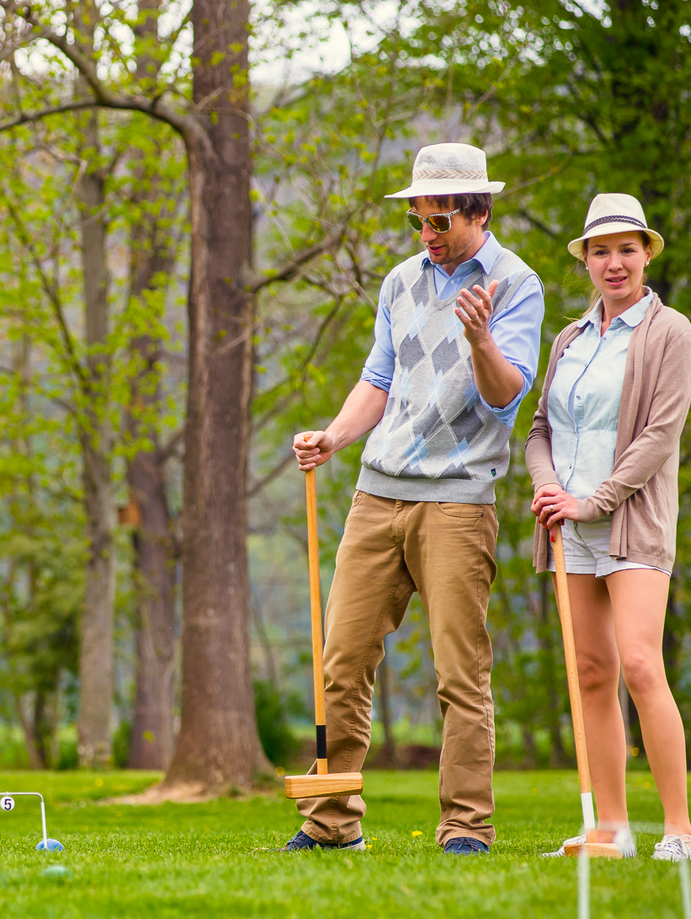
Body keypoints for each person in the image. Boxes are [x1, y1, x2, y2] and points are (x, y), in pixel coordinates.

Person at [288, 143, 546, 855]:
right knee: (340, 662)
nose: (428, 237)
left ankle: (467, 827)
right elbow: (378, 377)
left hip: (459, 501)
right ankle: (333, 822)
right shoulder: (401, 281)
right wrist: (334, 437)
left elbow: (505, 394)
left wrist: (480, 338)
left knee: (460, 674)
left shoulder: (516, 284)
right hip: (378, 493)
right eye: (418, 223)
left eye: (440, 222)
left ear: (479, 212)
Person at [526, 194, 691, 861]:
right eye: (601, 251)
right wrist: (546, 486)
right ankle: (611, 830)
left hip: (630, 523)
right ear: (586, 261)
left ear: (646, 254)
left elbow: (660, 435)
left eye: (626, 249)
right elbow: (539, 430)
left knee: (641, 663)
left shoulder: (671, 332)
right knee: (592, 672)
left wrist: (595, 499)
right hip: (570, 527)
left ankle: (680, 830)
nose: (614, 262)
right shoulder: (570, 339)